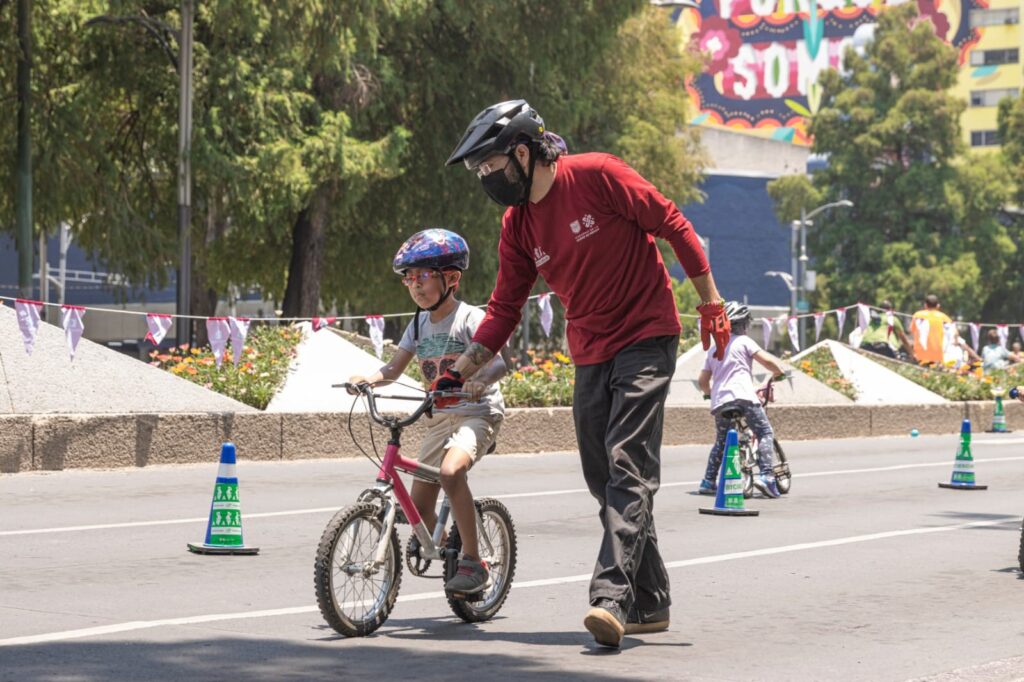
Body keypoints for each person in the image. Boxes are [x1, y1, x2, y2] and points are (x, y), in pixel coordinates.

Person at [440, 99, 730, 648]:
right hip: (590, 349)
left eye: (490, 167)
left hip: (646, 334)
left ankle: (610, 600)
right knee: (603, 475)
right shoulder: (518, 223)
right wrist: (457, 371)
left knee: (628, 464)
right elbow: (505, 308)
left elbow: (674, 224)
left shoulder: (598, 175)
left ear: (523, 154)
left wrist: (710, 303)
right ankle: (651, 599)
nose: (486, 180)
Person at [348, 228, 507, 595]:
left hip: (476, 412)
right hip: (438, 418)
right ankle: (451, 544)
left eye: (423, 276)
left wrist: (477, 382)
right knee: (419, 506)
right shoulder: (419, 323)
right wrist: (368, 381)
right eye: (409, 279)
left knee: (451, 473)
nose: (415, 286)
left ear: (451, 278)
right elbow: (393, 370)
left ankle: (473, 560)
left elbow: (499, 364)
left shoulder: (469, 318)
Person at [697, 302, 786, 498]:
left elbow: (702, 380)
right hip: (744, 397)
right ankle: (766, 476)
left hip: (720, 401)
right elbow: (768, 361)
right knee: (764, 432)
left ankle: (708, 481)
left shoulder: (714, 349)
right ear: (744, 325)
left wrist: (709, 394)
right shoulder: (745, 342)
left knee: (721, 440)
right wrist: (779, 373)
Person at [911, 294, 954, 366]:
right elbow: (952, 335)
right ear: (938, 306)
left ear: (925, 305)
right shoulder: (945, 318)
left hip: (920, 354)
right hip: (937, 356)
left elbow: (912, 330)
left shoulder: (918, 315)